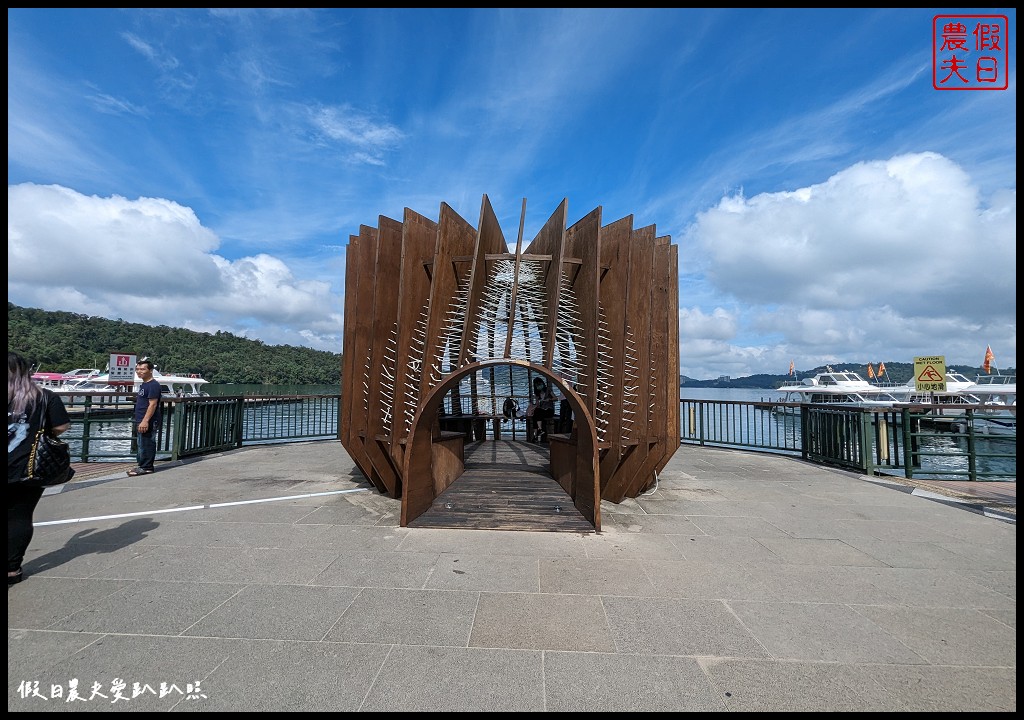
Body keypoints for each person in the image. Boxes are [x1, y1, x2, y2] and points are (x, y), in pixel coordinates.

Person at [8, 351, 71, 585]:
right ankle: (12, 568)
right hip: (28, 466)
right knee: (19, 516)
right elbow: (61, 426)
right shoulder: (44, 397)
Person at [128, 358, 162, 476]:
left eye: (142, 369)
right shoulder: (144, 384)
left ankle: (147, 467)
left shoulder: (153, 385)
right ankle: (142, 465)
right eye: (137, 369)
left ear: (150, 370)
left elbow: (153, 404)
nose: (139, 371)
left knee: (147, 443)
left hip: (148, 420)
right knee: (141, 443)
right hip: (141, 419)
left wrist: (145, 421)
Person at [529, 377, 556, 442]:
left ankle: (537, 434)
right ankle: (538, 432)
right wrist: (533, 408)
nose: (539, 386)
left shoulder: (548, 390)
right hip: (541, 411)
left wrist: (549, 399)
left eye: (539, 384)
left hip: (549, 410)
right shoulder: (537, 394)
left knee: (537, 413)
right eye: (537, 385)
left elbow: (556, 398)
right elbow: (537, 404)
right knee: (535, 415)